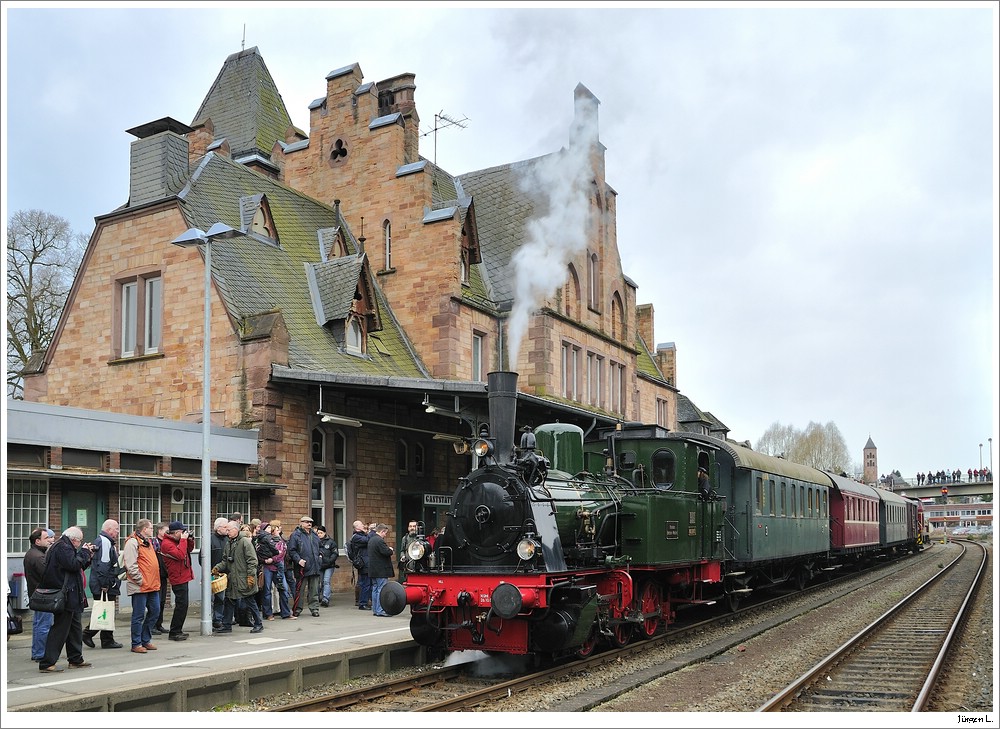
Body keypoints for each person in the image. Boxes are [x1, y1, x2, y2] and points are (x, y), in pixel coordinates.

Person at [38, 526, 96, 672]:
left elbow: (78, 566)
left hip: (72, 595)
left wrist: (87, 556)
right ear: (74, 539)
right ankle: (47, 662)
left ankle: (75, 659)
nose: (80, 544)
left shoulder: (64, 546)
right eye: (80, 541)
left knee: (75, 628)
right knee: (60, 628)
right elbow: (72, 564)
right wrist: (84, 551)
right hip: (65, 595)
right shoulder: (63, 547)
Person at [212, 520, 263, 634]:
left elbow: (252, 561)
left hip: (244, 578)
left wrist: (250, 576)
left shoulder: (245, 542)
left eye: (229, 530)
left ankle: (258, 624)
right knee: (229, 601)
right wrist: (217, 568)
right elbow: (225, 560)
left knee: (250, 601)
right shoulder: (229, 543)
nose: (227, 532)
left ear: (236, 529)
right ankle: (226, 625)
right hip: (233, 578)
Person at [82, 519, 123, 650]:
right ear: (109, 529)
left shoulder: (104, 541)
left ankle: (106, 639)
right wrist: (105, 585)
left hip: (103, 582)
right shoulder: (105, 542)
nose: (117, 532)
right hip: (104, 583)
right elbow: (104, 565)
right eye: (116, 529)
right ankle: (89, 634)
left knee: (107, 610)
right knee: (104, 610)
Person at [122, 518, 162, 654]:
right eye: (151, 528)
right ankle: (136, 643)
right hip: (141, 585)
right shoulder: (133, 542)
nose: (152, 530)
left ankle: (146, 639)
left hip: (152, 584)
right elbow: (131, 564)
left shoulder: (148, 542)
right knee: (138, 616)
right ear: (144, 529)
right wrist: (140, 580)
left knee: (155, 611)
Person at [159, 520, 195, 641]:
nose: (184, 533)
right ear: (176, 532)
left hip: (183, 575)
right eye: (182, 531)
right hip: (177, 577)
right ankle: (174, 631)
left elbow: (188, 550)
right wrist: (184, 540)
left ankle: (177, 630)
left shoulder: (176, 541)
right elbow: (180, 555)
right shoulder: (167, 544)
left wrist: (189, 539)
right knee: (181, 605)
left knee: (183, 605)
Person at [24, 527, 55, 661]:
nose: (49, 540)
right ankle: (40, 653)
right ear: (37, 541)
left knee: (39, 624)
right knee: (43, 626)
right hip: (42, 596)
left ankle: (38, 652)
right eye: (46, 538)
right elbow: (48, 575)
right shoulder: (38, 557)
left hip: (37, 594)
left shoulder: (33, 553)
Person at [288, 515, 322, 617]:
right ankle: (298, 608)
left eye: (310, 522)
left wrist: (320, 556)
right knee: (300, 590)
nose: (309, 524)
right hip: (302, 567)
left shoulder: (315, 535)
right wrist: (298, 560)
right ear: (301, 523)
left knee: (314, 590)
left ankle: (314, 608)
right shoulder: (296, 535)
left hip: (315, 565)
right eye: (307, 522)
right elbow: (292, 550)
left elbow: (320, 547)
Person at [270, 521, 295, 620]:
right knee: (270, 591)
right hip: (271, 568)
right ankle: (269, 613)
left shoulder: (282, 539)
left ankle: (285, 613)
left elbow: (284, 553)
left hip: (281, 568)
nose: (279, 529)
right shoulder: (269, 540)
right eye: (277, 528)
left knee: (283, 590)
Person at [368, 523, 394, 617]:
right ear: (382, 531)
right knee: (381, 590)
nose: (385, 535)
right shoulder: (379, 541)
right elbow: (386, 552)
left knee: (374, 589)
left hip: (373, 569)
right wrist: (391, 549)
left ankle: (375, 609)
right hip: (381, 570)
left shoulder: (371, 540)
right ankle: (380, 610)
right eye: (385, 533)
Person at [209, 516, 229, 629]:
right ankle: (217, 620)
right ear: (218, 528)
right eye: (225, 526)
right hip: (215, 575)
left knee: (227, 598)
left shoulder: (228, 540)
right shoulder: (211, 540)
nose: (227, 529)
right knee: (218, 598)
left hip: (227, 574)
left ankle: (225, 619)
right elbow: (203, 559)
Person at [348, 520, 372, 610]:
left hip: (365, 562)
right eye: (362, 525)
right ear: (357, 527)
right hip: (363, 563)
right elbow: (368, 540)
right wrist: (371, 531)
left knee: (365, 583)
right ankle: (363, 603)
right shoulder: (356, 537)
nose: (363, 526)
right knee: (365, 584)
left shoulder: (361, 535)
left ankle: (365, 601)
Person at [151, 522, 169, 635]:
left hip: (163, 575)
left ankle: (159, 624)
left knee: (162, 601)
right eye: (166, 530)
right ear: (160, 531)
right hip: (155, 576)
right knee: (155, 602)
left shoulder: (166, 542)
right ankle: (152, 625)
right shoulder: (154, 543)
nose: (168, 532)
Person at [315, 525, 339, 606]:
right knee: (320, 582)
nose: (319, 534)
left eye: (321, 533)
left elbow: (335, 553)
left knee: (326, 581)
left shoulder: (331, 542)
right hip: (320, 565)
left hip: (329, 565)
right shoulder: (315, 542)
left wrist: (329, 561)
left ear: (324, 533)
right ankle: (318, 597)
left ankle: (326, 598)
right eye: (318, 533)